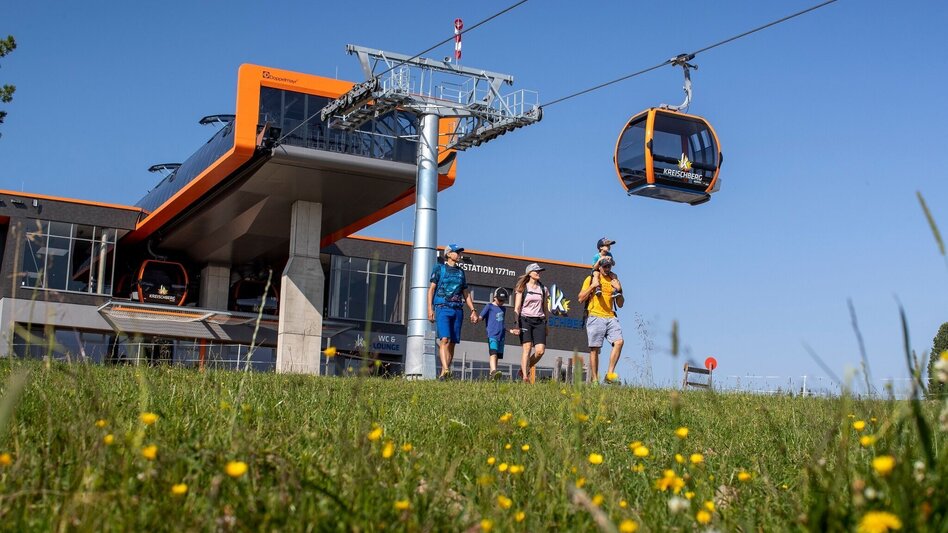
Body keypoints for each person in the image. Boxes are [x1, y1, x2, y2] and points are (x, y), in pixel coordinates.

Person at [428, 244, 478, 380]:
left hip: (457, 309)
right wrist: (430, 309)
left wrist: (473, 310)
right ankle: (445, 368)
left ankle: (444, 374)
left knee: (452, 342)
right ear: (449, 254)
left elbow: (466, 293)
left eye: (459, 252)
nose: (459, 254)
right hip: (443, 307)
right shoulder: (439, 269)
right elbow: (431, 289)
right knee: (444, 339)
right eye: (456, 252)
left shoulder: (461, 272)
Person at [577, 256, 624, 383]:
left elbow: (620, 304)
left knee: (619, 342)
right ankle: (595, 380)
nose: (607, 269)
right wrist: (593, 286)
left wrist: (619, 289)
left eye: (609, 266)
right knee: (595, 349)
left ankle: (609, 375)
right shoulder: (591, 278)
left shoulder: (614, 280)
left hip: (611, 316)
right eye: (605, 266)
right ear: (600, 267)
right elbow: (580, 298)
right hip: (595, 315)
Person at [513, 263, 550, 383]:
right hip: (525, 320)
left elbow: (545, 308)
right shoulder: (522, 288)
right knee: (527, 348)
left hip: (539, 321)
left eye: (539, 271)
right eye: (536, 271)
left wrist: (546, 324)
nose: (538, 273)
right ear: (529, 273)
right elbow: (517, 308)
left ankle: (525, 367)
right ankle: (525, 376)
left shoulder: (543, 289)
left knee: (540, 351)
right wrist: (516, 324)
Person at [479, 287, 509, 380]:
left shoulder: (503, 309)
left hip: (501, 335)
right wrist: (476, 318)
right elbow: (481, 317)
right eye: (499, 300)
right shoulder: (489, 306)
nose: (501, 302)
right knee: (493, 353)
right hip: (492, 334)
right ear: (495, 297)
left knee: (497, 357)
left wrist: (509, 330)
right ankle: (494, 371)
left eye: (503, 301)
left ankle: (493, 376)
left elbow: (501, 323)